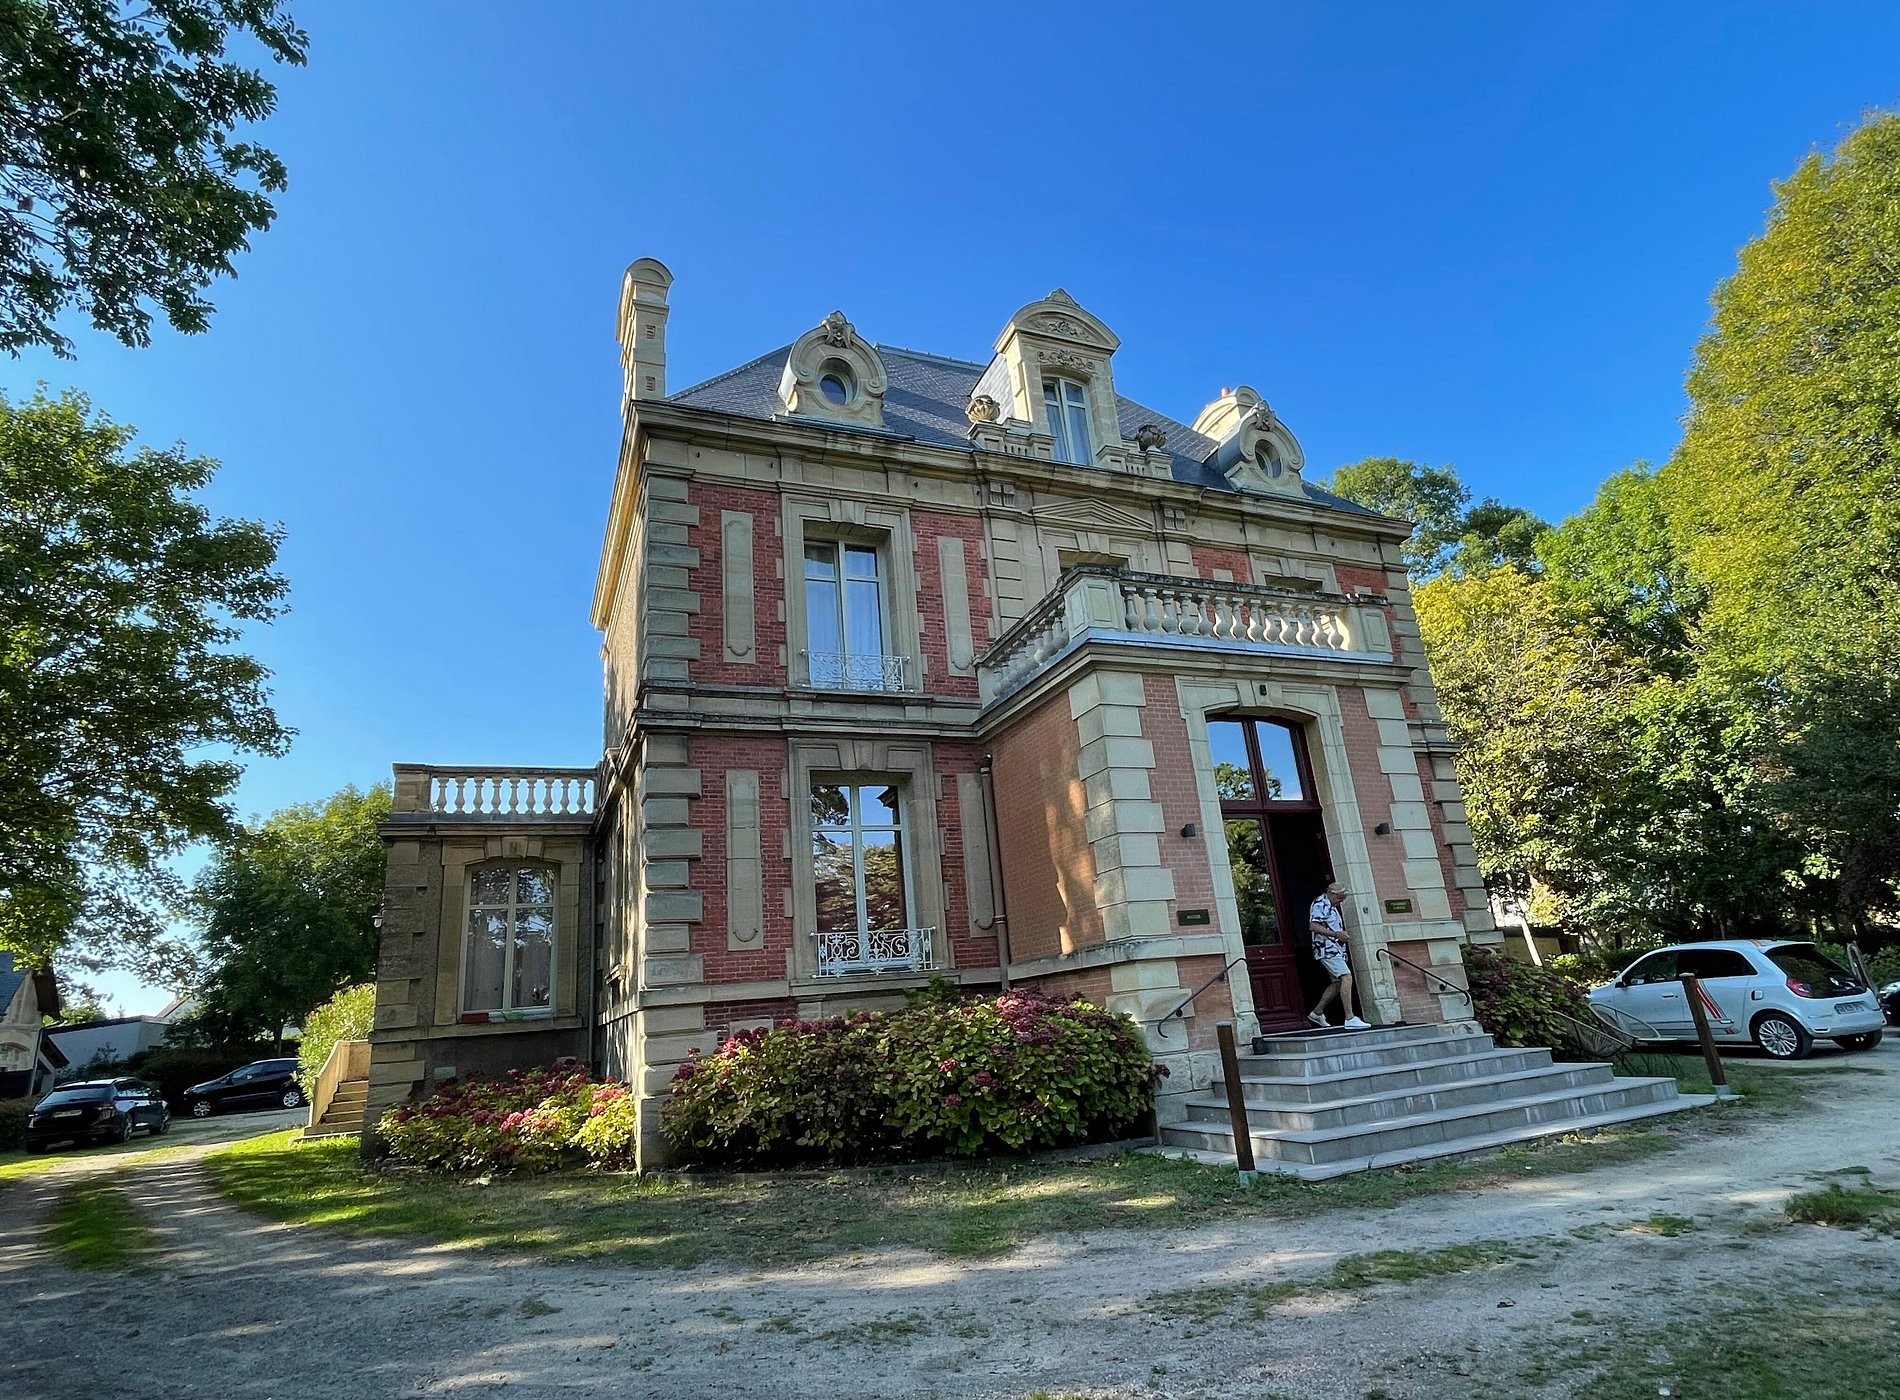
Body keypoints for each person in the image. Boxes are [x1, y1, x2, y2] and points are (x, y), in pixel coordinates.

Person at [1308, 879, 1369, 1029]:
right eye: (1340, 898)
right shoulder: (1320, 903)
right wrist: (1336, 934)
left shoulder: (1330, 905)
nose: (1341, 902)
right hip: (1327, 949)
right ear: (1331, 893)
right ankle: (1349, 1017)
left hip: (1334, 948)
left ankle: (1317, 1013)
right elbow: (1313, 925)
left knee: (1338, 982)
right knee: (1346, 977)